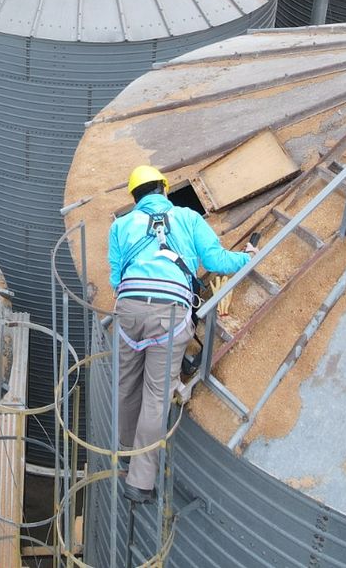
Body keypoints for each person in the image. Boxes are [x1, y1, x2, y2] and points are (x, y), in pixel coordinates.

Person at [107, 163, 252, 502]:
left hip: (128, 311)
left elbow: (116, 279)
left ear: (134, 196)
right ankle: (140, 483)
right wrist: (247, 259)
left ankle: (124, 452)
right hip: (169, 314)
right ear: (164, 188)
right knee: (155, 396)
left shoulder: (121, 225)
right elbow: (216, 261)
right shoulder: (187, 218)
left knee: (126, 383)